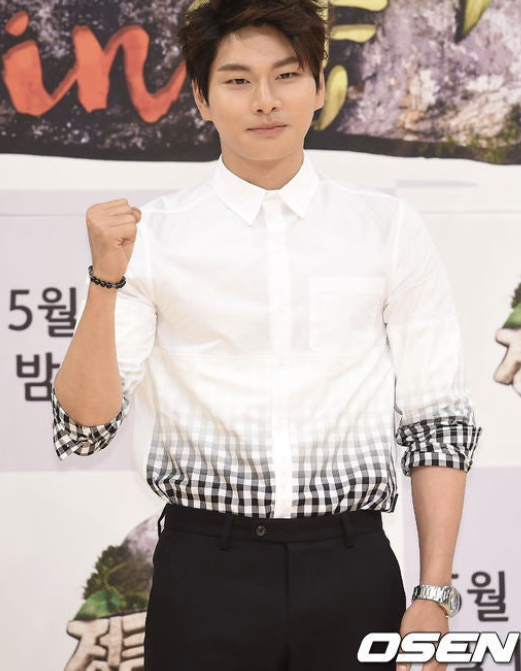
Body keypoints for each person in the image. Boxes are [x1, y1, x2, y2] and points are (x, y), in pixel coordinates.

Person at [52, 1, 480, 669]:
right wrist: (105, 279)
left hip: (353, 567)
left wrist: (432, 594)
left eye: (285, 75)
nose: (264, 100)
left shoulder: (386, 227)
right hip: (204, 571)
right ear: (201, 97)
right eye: (237, 80)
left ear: (319, 87)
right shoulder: (152, 236)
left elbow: (436, 420)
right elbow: (85, 428)